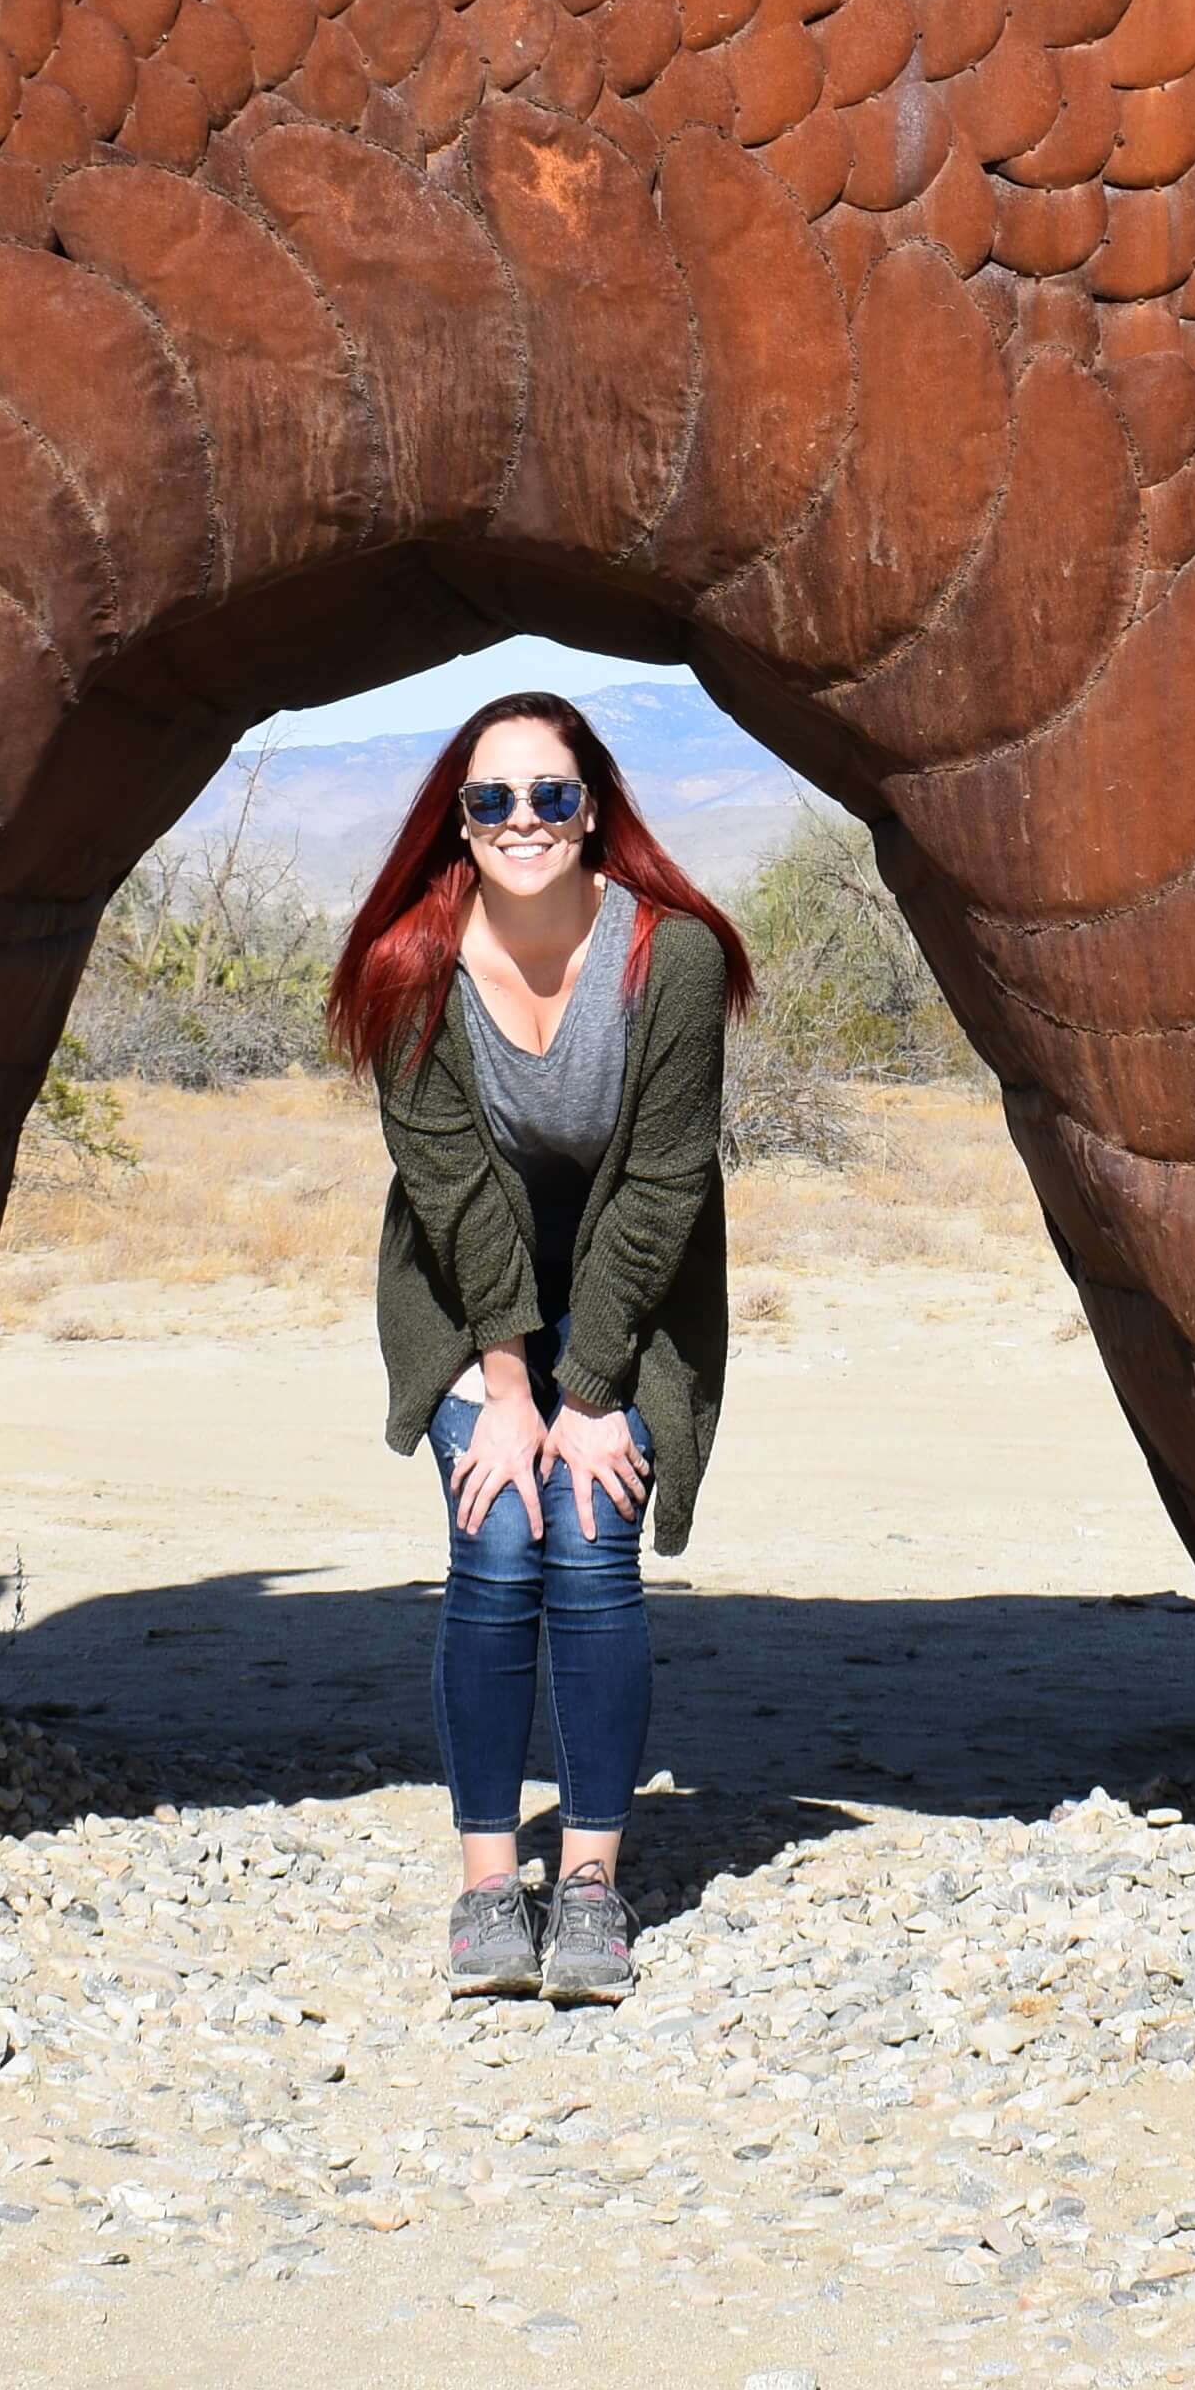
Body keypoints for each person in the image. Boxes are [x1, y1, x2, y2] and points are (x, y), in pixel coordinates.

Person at [329, 689, 753, 2003]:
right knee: (499, 1532)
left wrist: (594, 1393)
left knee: (591, 1530)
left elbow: (665, 1188)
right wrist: (508, 1390)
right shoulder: (410, 966)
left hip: (637, 1294)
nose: (524, 822)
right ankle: (482, 1894)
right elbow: (450, 1198)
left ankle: (587, 1885)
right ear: (457, 824)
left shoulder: (667, 959)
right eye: (492, 800)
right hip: (466, 1297)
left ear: (594, 809)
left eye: (550, 796)